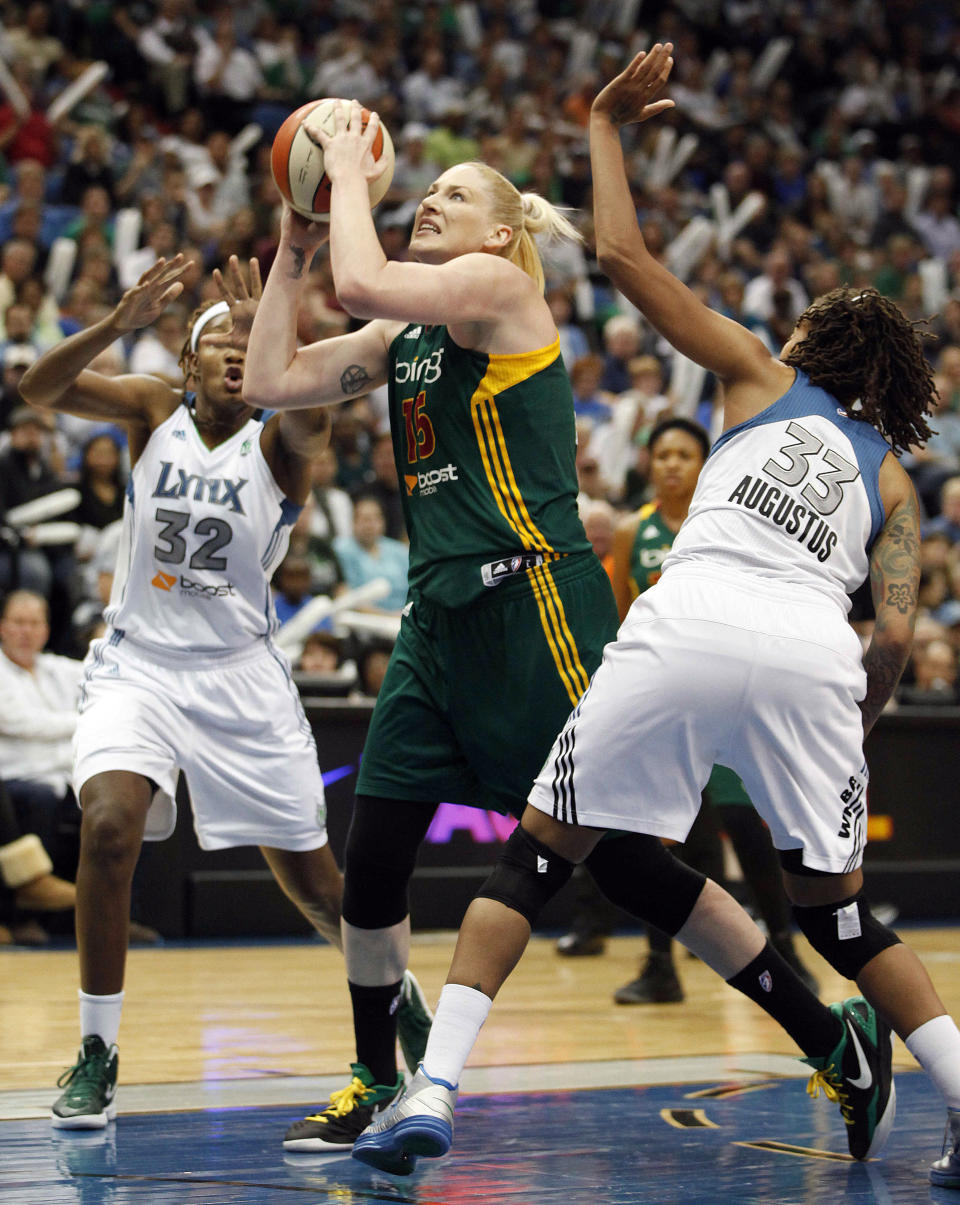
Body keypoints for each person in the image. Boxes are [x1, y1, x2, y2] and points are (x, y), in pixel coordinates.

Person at [353, 47, 960, 1190]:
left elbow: (623, 255)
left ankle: (431, 1084)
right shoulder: (897, 487)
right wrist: (854, 723)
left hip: (692, 620)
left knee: (537, 858)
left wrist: (601, 124)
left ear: (814, 348)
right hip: (812, 658)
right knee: (838, 921)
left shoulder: (754, 374)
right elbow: (892, 636)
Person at [241, 100, 729, 1158]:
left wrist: (354, 170)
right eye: (430, 185)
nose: (431, 196)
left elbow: (366, 277)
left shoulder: (498, 289)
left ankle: (826, 1022)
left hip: (533, 604)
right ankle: (375, 1073)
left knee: (625, 863)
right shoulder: (405, 331)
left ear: (501, 232)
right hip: (439, 615)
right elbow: (268, 382)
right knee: (371, 860)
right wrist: (292, 240)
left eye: (454, 192)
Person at [19, 255, 431, 1130]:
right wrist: (111, 322)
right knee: (108, 827)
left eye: (256, 343)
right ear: (188, 361)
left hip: (241, 676)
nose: (241, 352)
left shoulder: (281, 439)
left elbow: (313, 423)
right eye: (225, 340)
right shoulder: (147, 410)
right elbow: (38, 387)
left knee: (320, 887)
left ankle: (396, 988)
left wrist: (286, 331)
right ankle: (98, 1051)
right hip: (137, 666)